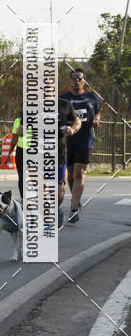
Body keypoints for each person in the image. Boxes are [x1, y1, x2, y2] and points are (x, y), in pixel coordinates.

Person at [60, 69, 100, 223]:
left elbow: (97, 112)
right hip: (67, 141)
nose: (76, 81)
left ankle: (74, 208)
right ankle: (75, 200)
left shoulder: (91, 97)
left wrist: (96, 120)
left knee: (79, 173)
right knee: (69, 174)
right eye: (74, 78)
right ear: (70, 81)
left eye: (80, 78)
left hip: (85, 141)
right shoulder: (63, 99)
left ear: (84, 81)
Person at [57, 96, 81, 228]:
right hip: (39, 154)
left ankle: (57, 209)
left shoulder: (65, 105)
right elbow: (23, 124)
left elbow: (77, 121)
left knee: (59, 189)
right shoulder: (33, 106)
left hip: (59, 154)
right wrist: (21, 129)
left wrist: (73, 129)